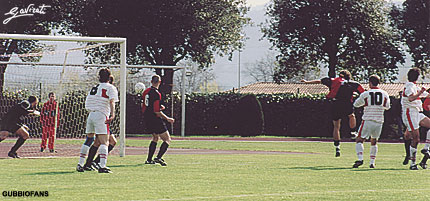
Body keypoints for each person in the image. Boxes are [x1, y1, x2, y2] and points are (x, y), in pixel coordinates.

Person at [301, 70, 365, 157]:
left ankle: (337, 147)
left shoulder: (332, 80)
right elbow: (363, 93)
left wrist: (307, 82)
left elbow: (319, 81)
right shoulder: (354, 84)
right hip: (347, 104)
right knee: (351, 115)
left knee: (336, 126)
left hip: (335, 104)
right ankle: (353, 132)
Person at [76, 68, 118, 173]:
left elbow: (87, 102)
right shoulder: (110, 87)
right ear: (109, 77)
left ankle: (81, 164)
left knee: (89, 140)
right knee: (105, 142)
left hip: (91, 115)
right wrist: (112, 114)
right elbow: (112, 101)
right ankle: (102, 166)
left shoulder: (94, 87)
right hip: (101, 115)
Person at [351, 75, 390, 168]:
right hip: (379, 120)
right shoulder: (385, 94)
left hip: (368, 119)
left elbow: (356, 104)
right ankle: (372, 162)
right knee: (374, 141)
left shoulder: (366, 93)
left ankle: (360, 159)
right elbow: (387, 107)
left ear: (370, 83)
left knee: (359, 139)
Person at [401, 68, 430, 170]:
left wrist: (422, 92)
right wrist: (421, 92)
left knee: (409, 136)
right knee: (416, 139)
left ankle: (426, 148)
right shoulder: (409, 86)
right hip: (410, 112)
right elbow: (411, 98)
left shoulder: (414, 86)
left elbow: (427, 95)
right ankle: (413, 164)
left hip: (417, 112)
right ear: (417, 77)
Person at [143, 75, 174, 166]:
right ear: (159, 82)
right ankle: (158, 157)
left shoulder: (146, 92)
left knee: (155, 137)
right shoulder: (157, 93)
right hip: (155, 119)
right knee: (167, 139)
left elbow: (147, 105)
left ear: (151, 81)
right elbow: (157, 111)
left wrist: (160, 107)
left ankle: (149, 159)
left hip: (147, 118)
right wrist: (167, 118)